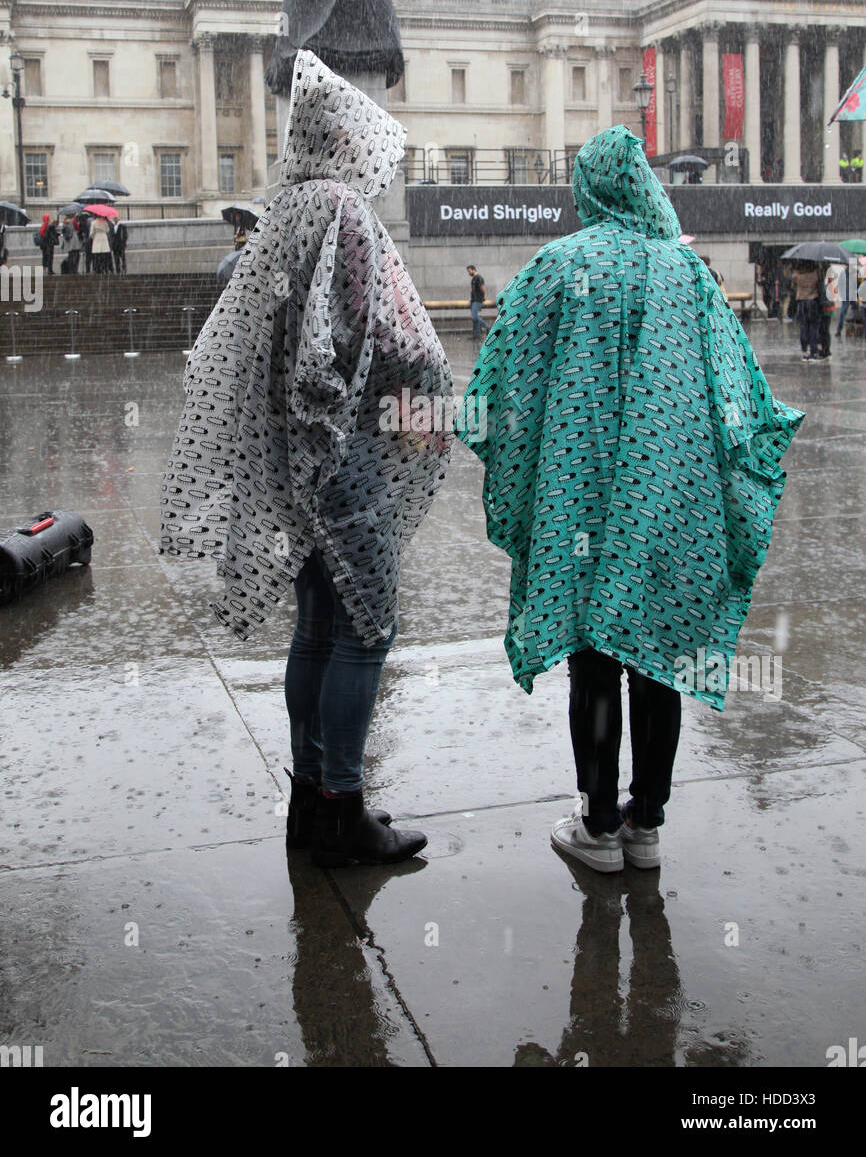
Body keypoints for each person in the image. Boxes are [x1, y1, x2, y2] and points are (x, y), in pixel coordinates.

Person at [456, 125, 802, 873]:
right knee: (659, 653)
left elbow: (494, 391)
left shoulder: (558, 265)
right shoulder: (690, 275)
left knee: (592, 658)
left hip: (577, 498)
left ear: (587, 190)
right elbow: (740, 396)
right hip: (669, 497)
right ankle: (647, 824)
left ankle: (598, 823)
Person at [160, 50, 453, 869]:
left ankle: (308, 797)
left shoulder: (283, 213)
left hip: (291, 453)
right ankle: (346, 809)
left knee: (318, 622)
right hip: (346, 454)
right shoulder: (347, 216)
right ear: (348, 139)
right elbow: (391, 338)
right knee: (367, 628)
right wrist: (429, 406)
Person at [791, 259, 821, 361]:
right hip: (812, 301)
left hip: (801, 302)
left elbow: (793, 285)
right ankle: (813, 351)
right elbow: (819, 284)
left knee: (803, 327)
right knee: (813, 327)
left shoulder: (796, 275)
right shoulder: (815, 274)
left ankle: (804, 351)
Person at [466, 264, 488, 340]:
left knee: (474, 316)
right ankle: (476, 335)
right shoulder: (474, 279)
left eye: (469, 271)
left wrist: (484, 296)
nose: (468, 273)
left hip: (478, 300)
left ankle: (487, 326)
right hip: (473, 300)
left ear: (473, 269)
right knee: (474, 319)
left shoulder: (479, 278)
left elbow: (482, 287)